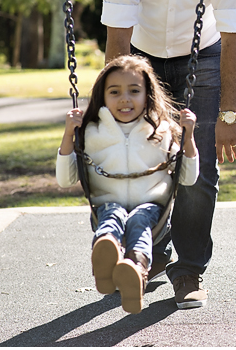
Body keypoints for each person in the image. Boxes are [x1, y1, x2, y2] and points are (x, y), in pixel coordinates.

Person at [100, 0, 236, 309]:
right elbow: (118, 37)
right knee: (144, 164)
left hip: (203, 57)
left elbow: (233, 38)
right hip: (141, 58)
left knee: (197, 170)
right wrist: (116, 107)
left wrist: (229, 114)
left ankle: (189, 270)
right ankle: (152, 257)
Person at [57, 55, 199, 315]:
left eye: (134, 91)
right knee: (113, 213)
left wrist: (188, 138)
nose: (125, 98)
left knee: (139, 219)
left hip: (152, 208)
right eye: (115, 92)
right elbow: (66, 180)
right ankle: (107, 249)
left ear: (148, 95)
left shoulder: (162, 130)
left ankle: (135, 269)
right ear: (103, 96)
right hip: (106, 205)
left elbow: (188, 178)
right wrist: (69, 135)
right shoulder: (91, 132)